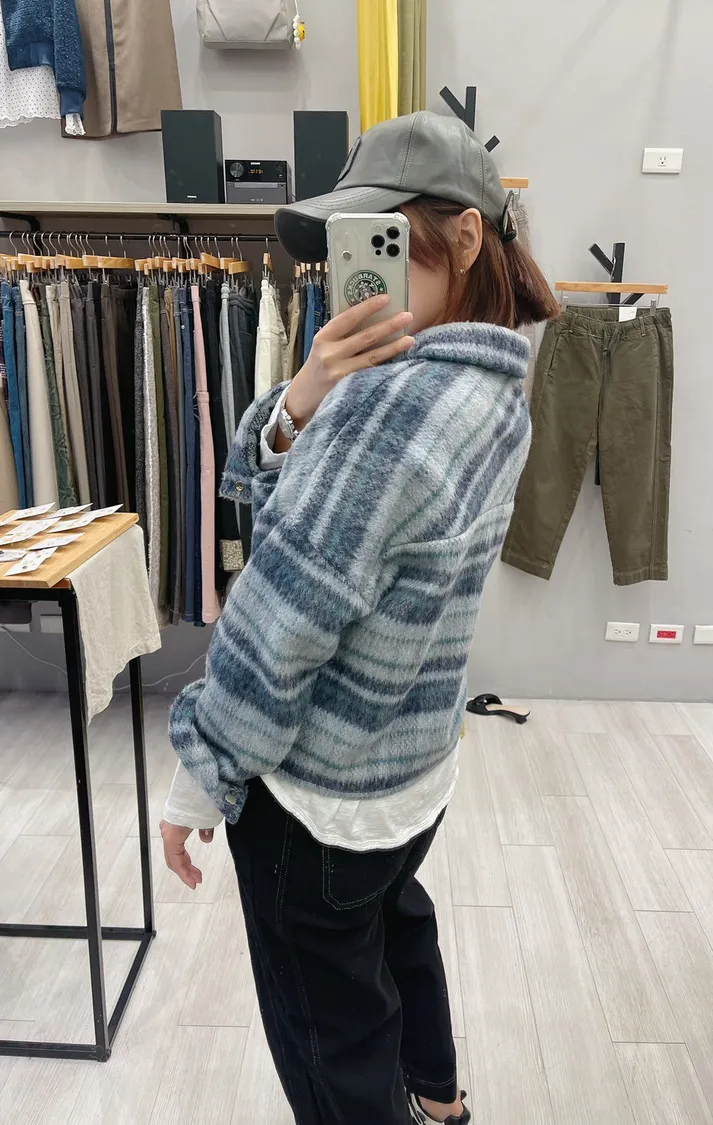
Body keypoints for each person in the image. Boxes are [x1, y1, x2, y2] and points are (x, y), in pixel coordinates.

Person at [161, 110, 558, 1125]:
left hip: (317, 799)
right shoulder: (496, 386)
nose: (359, 270)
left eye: (385, 239)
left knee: (330, 1034)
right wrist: (305, 393)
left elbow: (278, 624)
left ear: (463, 238)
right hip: (409, 767)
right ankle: (441, 1101)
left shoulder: (389, 406)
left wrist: (198, 779)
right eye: (349, 243)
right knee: (395, 930)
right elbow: (314, 522)